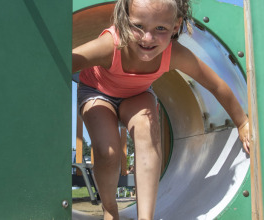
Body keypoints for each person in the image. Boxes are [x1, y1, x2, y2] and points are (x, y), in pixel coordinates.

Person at [72, 0, 250, 219]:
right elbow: (65, 61)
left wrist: (242, 122)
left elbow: (215, 84)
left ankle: (146, 216)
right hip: (97, 91)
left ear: (175, 26)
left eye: (160, 29)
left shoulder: (175, 54)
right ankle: (110, 210)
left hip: (136, 95)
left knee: (148, 130)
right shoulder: (112, 44)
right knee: (107, 151)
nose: (148, 38)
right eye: (138, 26)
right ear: (125, 20)